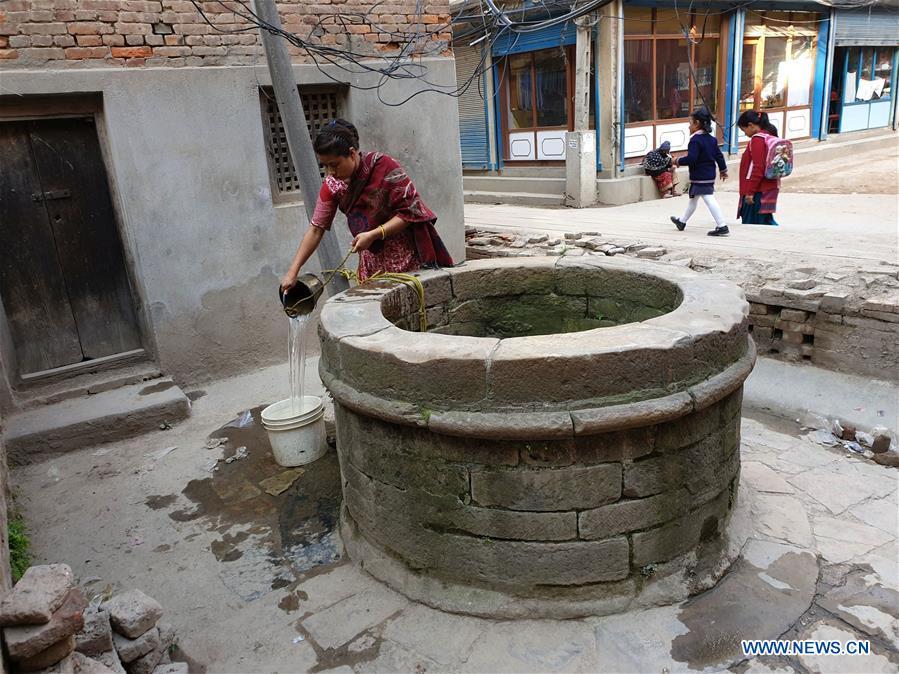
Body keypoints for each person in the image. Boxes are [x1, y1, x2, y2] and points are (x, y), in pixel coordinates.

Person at [280, 118, 453, 291]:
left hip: (406, 260)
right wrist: (293, 271)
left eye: (334, 165)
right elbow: (316, 229)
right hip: (371, 266)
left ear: (352, 153)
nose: (331, 172)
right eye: (325, 166)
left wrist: (374, 234)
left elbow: (410, 213)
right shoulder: (332, 185)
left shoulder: (385, 167)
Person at [670, 107, 730, 237]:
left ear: (697, 123)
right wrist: (723, 170)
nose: (688, 127)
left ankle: (722, 225)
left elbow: (691, 159)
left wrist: (676, 161)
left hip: (700, 176)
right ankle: (682, 221)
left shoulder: (695, 140)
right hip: (708, 175)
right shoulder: (712, 140)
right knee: (693, 199)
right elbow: (719, 156)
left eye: (690, 123)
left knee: (709, 198)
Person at [736, 110, 780, 226]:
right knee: (765, 221)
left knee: (753, 225)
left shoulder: (757, 140)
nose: (745, 133)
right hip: (769, 187)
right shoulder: (770, 135)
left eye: (743, 129)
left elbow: (758, 168)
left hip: (757, 191)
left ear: (750, 125)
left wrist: (750, 193)